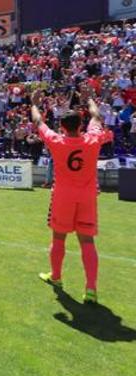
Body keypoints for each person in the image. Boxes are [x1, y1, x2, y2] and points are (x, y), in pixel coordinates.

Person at [31, 91, 114, 304]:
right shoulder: (93, 138)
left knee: (59, 237)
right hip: (87, 196)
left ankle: (56, 277)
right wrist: (88, 99)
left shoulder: (56, 140)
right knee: (87, 240)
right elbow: (97, 117)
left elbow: (38, 121)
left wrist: (34, 103)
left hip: (63, 196)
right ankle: (91, 289)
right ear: (80, 125)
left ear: (62, 127)